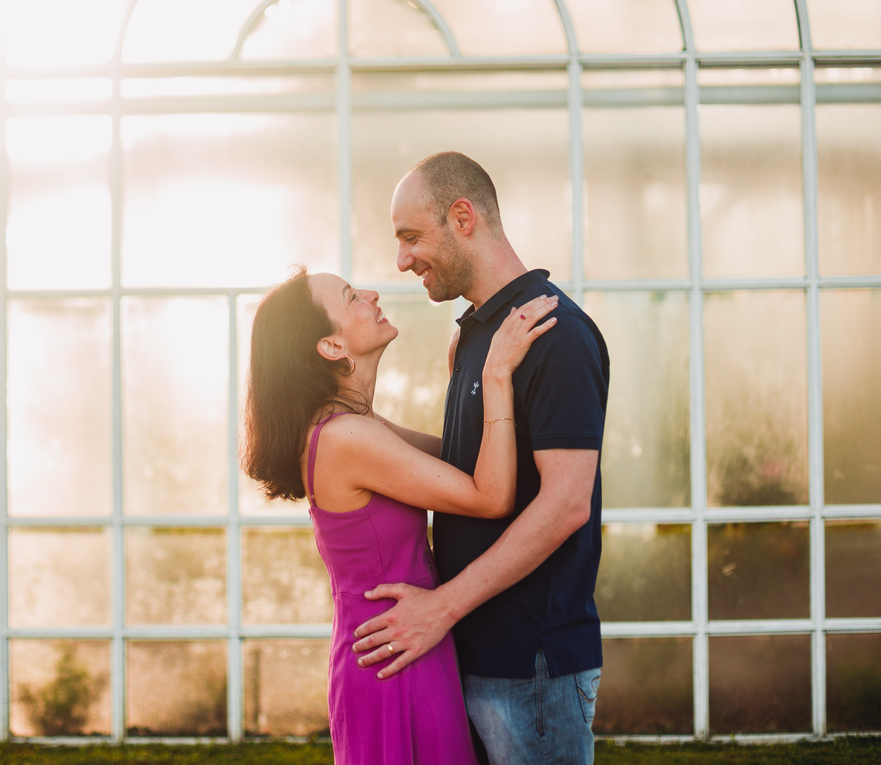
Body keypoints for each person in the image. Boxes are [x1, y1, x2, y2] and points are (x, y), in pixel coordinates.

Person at [350, 152, 610, 765]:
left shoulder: (556, 335)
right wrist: (353, 430)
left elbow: (567, 504)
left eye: (411, 237)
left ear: (462, 216)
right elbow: (470, 470)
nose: (402, 261)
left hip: (532, 666)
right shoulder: (479, 335)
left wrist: (441, 607)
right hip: (470, 652)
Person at [240, 264, 558, 765]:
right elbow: (489, 495)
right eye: (350, 297)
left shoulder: (351, 424)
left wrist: (463, 380)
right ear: (331, 346)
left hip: (399, 641)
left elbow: (452, 463)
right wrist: (495, 374)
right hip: (394, 656)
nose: (370, 293)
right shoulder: (347, 438)